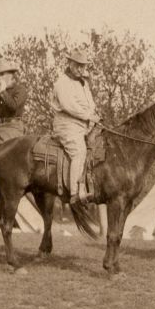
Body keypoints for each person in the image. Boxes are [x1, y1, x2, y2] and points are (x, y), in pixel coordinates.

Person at [51, 48, 100, 204]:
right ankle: (75, 192)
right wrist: (88, 116)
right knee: (79, 151)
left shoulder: (84, 84)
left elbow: (90, 103)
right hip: (67, 125)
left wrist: (94, 116)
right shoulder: (61, 83)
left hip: (84, 124)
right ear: (70, 63)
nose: (81, 69)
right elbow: (68, 106)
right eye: (78, 65)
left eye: (83, 66)